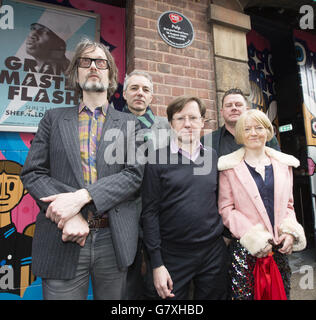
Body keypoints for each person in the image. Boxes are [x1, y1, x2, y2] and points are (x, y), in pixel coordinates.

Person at [20, 38, 144, 300]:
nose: (93, 67)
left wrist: (80, 198)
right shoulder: (53, 119)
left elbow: (133, 175)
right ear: (76, 73)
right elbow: (33, 173)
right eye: (85, 62)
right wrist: (67, 215)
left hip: (114, 239)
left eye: (100, 62)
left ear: (110, 74)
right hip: (61, 238)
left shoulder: (130, 123)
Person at [141, 95, 227, 300]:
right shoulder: (156, 159)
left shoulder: (212, 157)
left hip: (213, 253)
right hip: (173, 255)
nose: (187, 124)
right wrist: (157, 263)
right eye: (180, 118)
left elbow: (219, 200)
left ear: (202, 122)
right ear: (171, 123)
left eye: (193, 118)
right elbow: (149, 213)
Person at [217, 109, 306, 300]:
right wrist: (254, 238)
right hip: (245, 251)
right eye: (247, 129)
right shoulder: (228, 167)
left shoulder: (284, 165)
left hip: (278, 250)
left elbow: (289, 206)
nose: (253, 133)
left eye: (259, 127)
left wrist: (290, 232)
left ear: (267, 130)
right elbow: (226, 209)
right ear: (240, 134)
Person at [122, 70, 169, 299]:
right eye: (134, 88)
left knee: (157, 281)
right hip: (122, 214)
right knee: (126, 283)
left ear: (151, 97)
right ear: (124, 94)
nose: (140, 93)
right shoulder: (111, 124)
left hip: (158, 214)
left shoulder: (166, 127)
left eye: (146, 90)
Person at [202, 88, 280, 157]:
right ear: (222, 112)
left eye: (238, 105)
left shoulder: (266, 136)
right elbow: (203, 172)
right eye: (229, 105)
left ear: (247, 110)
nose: (234, 108)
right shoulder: (207, 141)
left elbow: (279, 166)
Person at [0, 160, 34, 297]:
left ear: (25, 189)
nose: (4, 194)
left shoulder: (26, 244)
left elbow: (25, 289)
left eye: (11, 186)